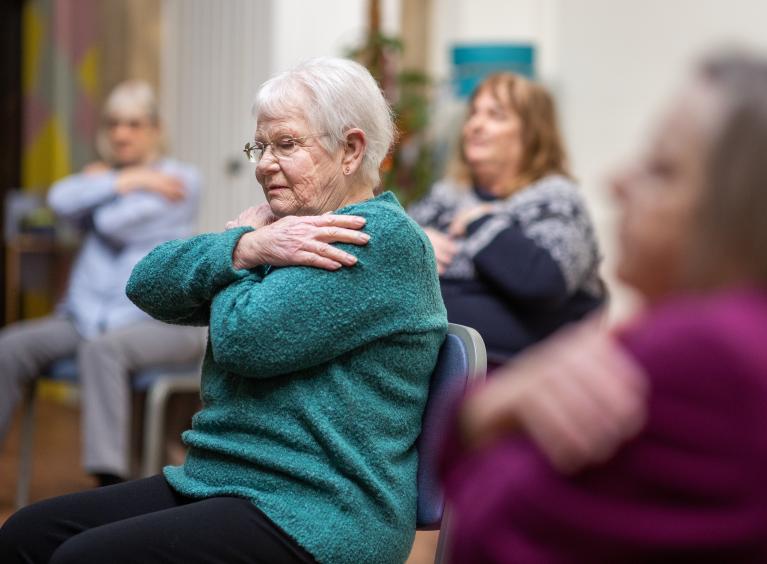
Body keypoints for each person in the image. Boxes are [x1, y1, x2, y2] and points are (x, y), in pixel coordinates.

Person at [0, 57, 448, 564]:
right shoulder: (283, 234)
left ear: (350, 149)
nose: (262, 164)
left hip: (320, 511)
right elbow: (147, 285)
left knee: (82, 558)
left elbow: (244, 341)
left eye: (285, 145)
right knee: (27, 535)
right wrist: (243, 248)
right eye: (259, 146)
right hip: (221, 480)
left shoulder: (376, 237)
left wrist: (244, 247)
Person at [440, 50, 767, 562]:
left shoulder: (702, 352)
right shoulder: (442, 199)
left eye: (662, 169)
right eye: (474, 112)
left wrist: (484, 410)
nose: (618, 181)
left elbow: (488, 528)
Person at [0, 80, 205, 486]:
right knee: (10, 346)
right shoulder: (117, 181)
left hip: (151, 321)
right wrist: (126, 181)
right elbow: (59, 199)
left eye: (133, 124)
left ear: (155, 129)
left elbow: (111, 223)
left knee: (101, 351)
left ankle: (108, 481)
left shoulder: (183, 179)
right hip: (82, 317)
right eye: (113, 124)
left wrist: (98, 190)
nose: (121, 134)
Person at [409, 72, 605, 369]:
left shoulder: (556, 200)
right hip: (427, 366)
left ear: (531, 133)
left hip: (520, 379)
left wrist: (481, 225)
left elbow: (543, 283)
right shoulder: (444, 198)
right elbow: (387, 266)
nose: (475, 125)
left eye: (495, 115)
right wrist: (417, 243)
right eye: (474, 113)